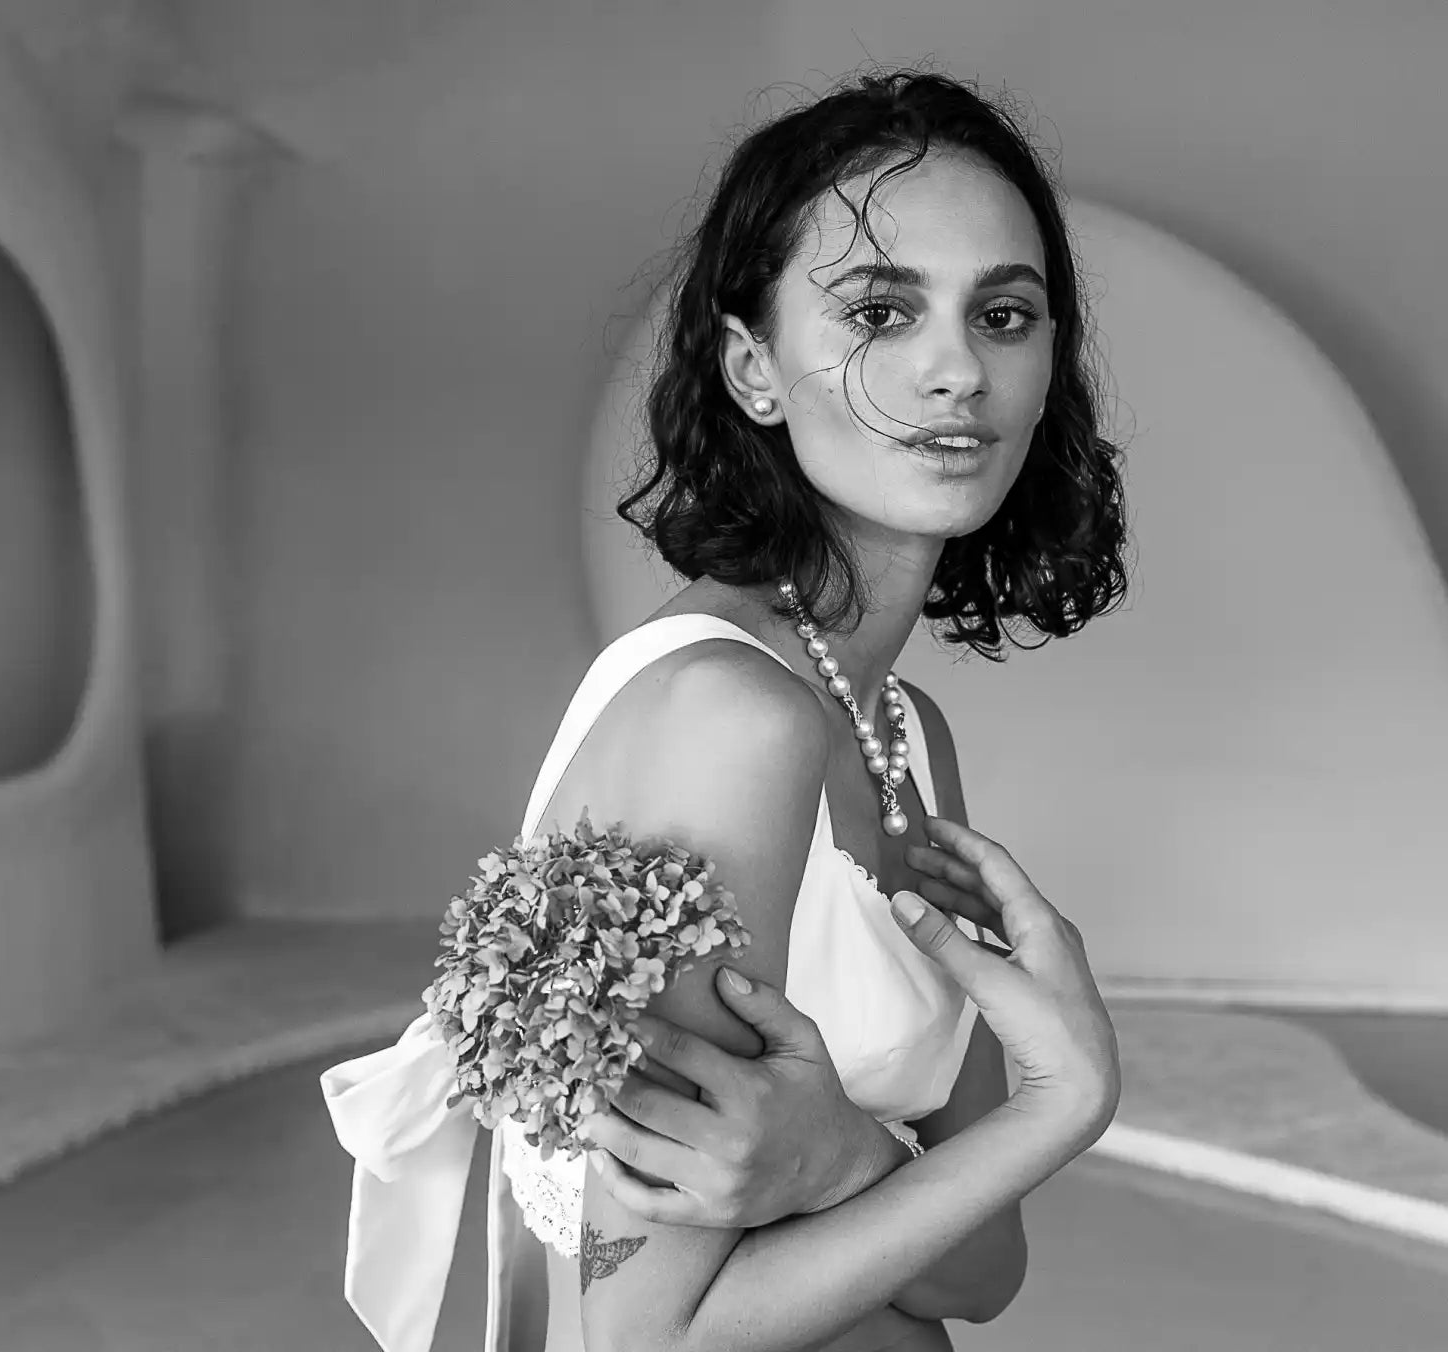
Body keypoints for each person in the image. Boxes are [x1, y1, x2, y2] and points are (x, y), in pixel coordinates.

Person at [321, 66, 1129, 1352]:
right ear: (753, 368)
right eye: (877, 308)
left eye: (1004, 313)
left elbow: (980, 1271)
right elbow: (634, 1335)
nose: (953, 369)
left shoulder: (905, 733)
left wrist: (845, 1161)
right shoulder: (727, 719)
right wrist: (1060, 1099)